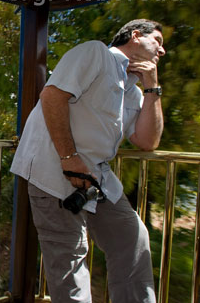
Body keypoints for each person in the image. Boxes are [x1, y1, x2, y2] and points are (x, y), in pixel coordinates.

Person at [10, 19, 165, 303]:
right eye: (157, 40)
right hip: (53, 171)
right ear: (134, 36)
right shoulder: (96, 53)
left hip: (96, 177)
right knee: (70, 264)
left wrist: (153, 88)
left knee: (132, 240)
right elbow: (52, 96)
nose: (162, 50)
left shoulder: (133, 91)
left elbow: (147, 141)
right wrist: (69, 158)